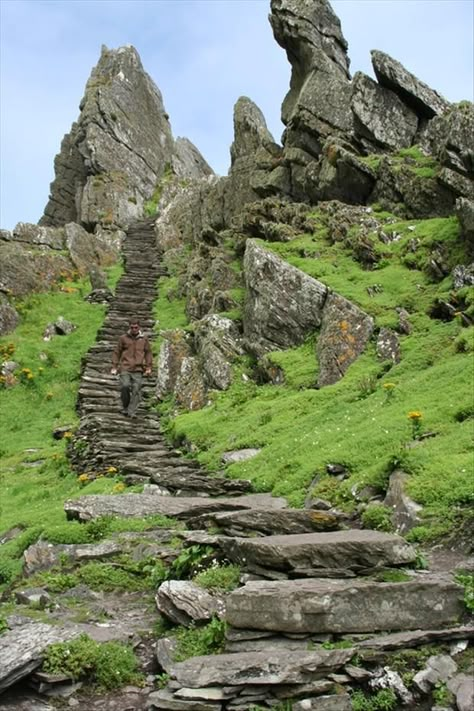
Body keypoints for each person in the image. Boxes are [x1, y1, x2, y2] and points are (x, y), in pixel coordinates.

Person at [111, 319, 152, 417]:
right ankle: (125, 407)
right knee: (125, 386)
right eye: (132, 327)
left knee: (136, 389)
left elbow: (148, 353)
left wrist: (148, 367)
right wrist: (114, 366)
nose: (134, 329)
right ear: (129, 327)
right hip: (125, 367)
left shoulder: (144, 339)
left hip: (138, 369)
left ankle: (131, 411)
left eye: (136, 327)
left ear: (139, 327)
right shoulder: (123, 338)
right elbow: (117, 352)